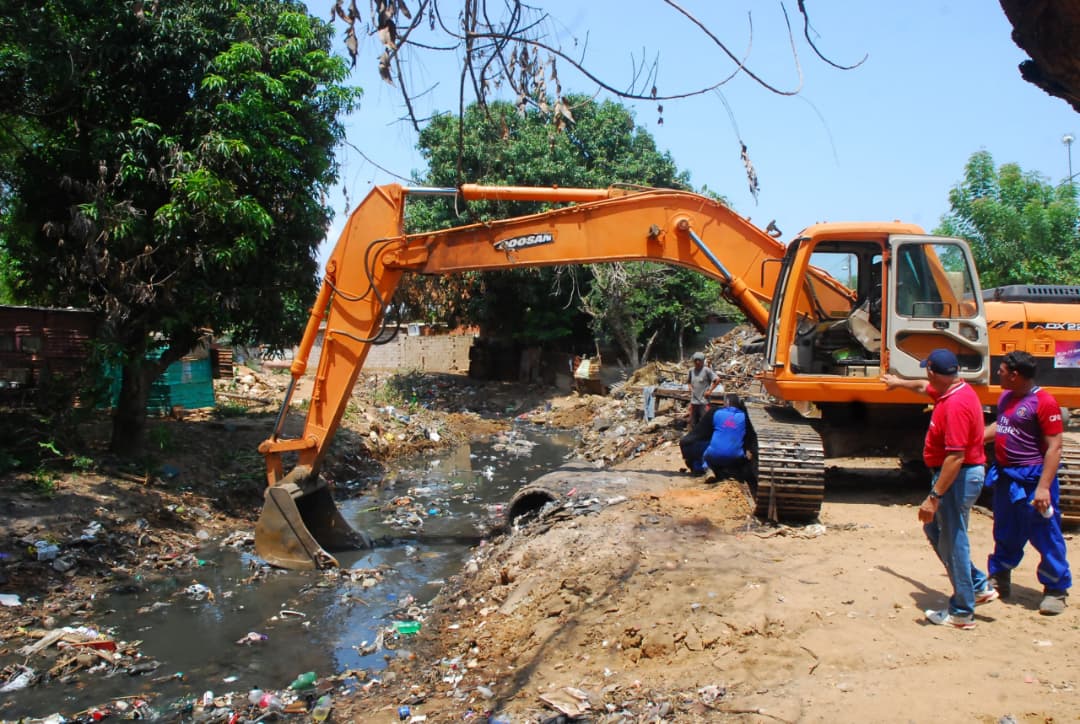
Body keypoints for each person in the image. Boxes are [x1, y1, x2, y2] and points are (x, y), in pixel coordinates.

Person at [882, 348, 996, 629]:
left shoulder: (956, 405)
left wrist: (934, 497)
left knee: (953, 539)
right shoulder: (950, 391)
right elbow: (922, 387)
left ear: (933, 371)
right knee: (935, 530)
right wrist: (898, 383)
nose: (925, 376)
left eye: (927, 370)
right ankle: (978, 585)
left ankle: (962, 612)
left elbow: (955, 457)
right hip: (959, 476)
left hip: (959, 477)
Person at [984, 350, 1072, 615]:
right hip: (1007, 478)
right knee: (1006, 529)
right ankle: (999, 577)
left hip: (1033, 480)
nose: (997, 373)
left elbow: (1054, 447)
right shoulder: (1007, 397)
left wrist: (1044, 487)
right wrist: (974, 439)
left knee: (1046, 534)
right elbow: (1001, 426)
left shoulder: (1044, 402)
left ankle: (1056, 588)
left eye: (1001, 370)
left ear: (1015, 375)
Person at [702, 393, 757, 484]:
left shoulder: (717, 414)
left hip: (713, 455)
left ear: (727, 402)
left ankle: (709, 470)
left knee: (706, 452)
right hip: (736, 457)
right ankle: (737, 472)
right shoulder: (744, 417)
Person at [679, 402, 716, 475]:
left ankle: (697, 467)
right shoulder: (712, 422)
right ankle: (704, 468)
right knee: (709, 447)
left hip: (686, 445)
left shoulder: (703, 422)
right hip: (693, 446)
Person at [687, 352, 722, 428]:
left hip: (704, 401)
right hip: (694, 401)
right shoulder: (691, 371)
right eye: (695, 360)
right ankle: (694, 437)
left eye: (699, 360)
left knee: (704, 421)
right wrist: (690, 387)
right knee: (693, 421)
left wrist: (710, 391)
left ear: (703, 361)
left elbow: (717, 380)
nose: (697, 362)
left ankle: (705, 437)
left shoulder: (706, 370)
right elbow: (688, 381)